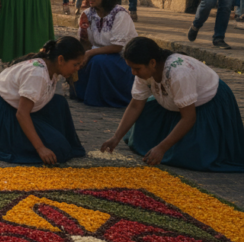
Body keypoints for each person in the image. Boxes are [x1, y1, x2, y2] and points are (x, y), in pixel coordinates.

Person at [101, 37, 244, 172]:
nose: (133, 73)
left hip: (207, 104)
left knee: (188, 157)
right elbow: (135, 105)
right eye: (131, 68)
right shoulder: (145, 72)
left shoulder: (179, 73)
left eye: (137, 69)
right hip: (175, 103)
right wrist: (116, 137)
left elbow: (189, 118)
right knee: (143, 121)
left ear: (152, 62)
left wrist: (162, 148)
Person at [0, 38, 87, 164]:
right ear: (60, 60)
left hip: (11, 105)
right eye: (75, 64)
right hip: (0, 112)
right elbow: (21, 114)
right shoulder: (37, 74)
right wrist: (40, 148)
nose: (77, 69)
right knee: (59, 149)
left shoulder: (50, 67)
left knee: (59, 103)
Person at [74, 0, 137, 107]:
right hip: (98, 54)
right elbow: (86, 45)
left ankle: (103, 97)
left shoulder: (120, 14)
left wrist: (90, 53)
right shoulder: (87, 13)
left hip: (122, 58)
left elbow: (118, 47)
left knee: (97, 61)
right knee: (77, 60)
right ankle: (82, 93)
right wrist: (84, 40)